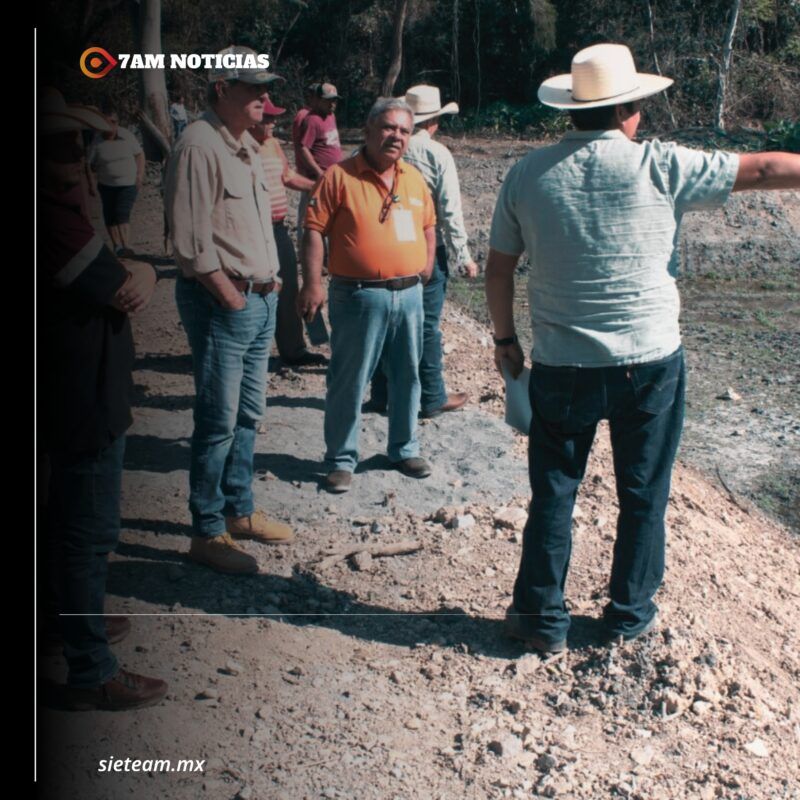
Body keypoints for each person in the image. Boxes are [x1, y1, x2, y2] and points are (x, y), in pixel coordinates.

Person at [485, 43, 800, 653]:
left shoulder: (526, 173)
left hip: (561, 362)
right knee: (643, 494)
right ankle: (628, 615)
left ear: (573, 110)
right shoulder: (660, 165)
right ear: (630, 109)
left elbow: (498, 270)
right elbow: (763, 171)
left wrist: (505, 341)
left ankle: (543, 621)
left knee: (553, 493)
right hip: (648, 362)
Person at [39, 89, 166, 710]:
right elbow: (123, 286)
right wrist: (139, 270)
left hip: (79, 395)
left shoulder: (66, 209)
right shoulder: (53, 218)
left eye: (78, 143)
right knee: (86, 534)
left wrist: (134, 269)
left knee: (64, 526)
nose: (78, 156)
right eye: (60, 144)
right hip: (80, 401)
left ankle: (63, 627)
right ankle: (90, 668)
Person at [164, 46, 295, 575]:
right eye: (254, 89)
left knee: (248, 415)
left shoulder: (242, 144)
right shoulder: (198, 145)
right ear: (221, 88)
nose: (265, 99)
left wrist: (272, 283)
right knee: (217, 421)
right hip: (227, 302)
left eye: (267, 89)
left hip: (257, 298)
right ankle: (208, 530)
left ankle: (238, 510)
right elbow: (190, 243)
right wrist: (233, 295)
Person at [297, 97, 436, 494]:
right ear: (370, 129)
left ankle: (404, 448)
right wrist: (312, 283)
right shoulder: (338, 176)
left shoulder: (412, 178)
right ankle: (342, 458)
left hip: (409, 295)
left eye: (405, 131)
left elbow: (428, 224)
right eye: (390, 128)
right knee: (350, 378)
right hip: (358, 296)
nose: (397, 137)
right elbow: (312, 230)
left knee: (408, 375)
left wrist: (425, 264)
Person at [367, 84, 478, 419]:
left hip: (386, 248)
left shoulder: (381, 148)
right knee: (427, 326)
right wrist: (464, 256)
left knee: (387, 321)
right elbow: (449, 211)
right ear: (435, 122)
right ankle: (431, 395)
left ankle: (382, 394)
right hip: (428, 248)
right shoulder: (437, 153)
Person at [250, 98, 327, 368]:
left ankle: (294, 350)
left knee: (292, 286)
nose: (272, 123)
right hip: (253, 231)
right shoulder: (241, 147)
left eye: (273, 118)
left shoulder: (271, 145)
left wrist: (319, 186)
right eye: (266, 118)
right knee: (257, 289)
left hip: (278, 227)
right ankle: (251, 351)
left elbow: (286, 176)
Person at [88, 106, 144, 257]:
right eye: (107, 122)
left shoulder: (127, 136)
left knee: (122, 213)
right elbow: (90, 165)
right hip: (106, 184)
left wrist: (139, 175)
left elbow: (139, 155)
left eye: (114, 122)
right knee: (110, 215)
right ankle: (117, 246)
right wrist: (91, 184)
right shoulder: (97, 141)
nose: (111, 125)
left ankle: (127, 247)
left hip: (128, 183)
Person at [294, 82, 344, 235]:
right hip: (317, 178)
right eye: (328, 100)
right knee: (310, 217)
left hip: (333, 175)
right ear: (318, 100)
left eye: (335, 100)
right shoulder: (312, 120)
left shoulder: (331, 116)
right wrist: (318, 172)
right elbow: (303, 148)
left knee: (331, 214)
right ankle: (305, 251)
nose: (332, 104)